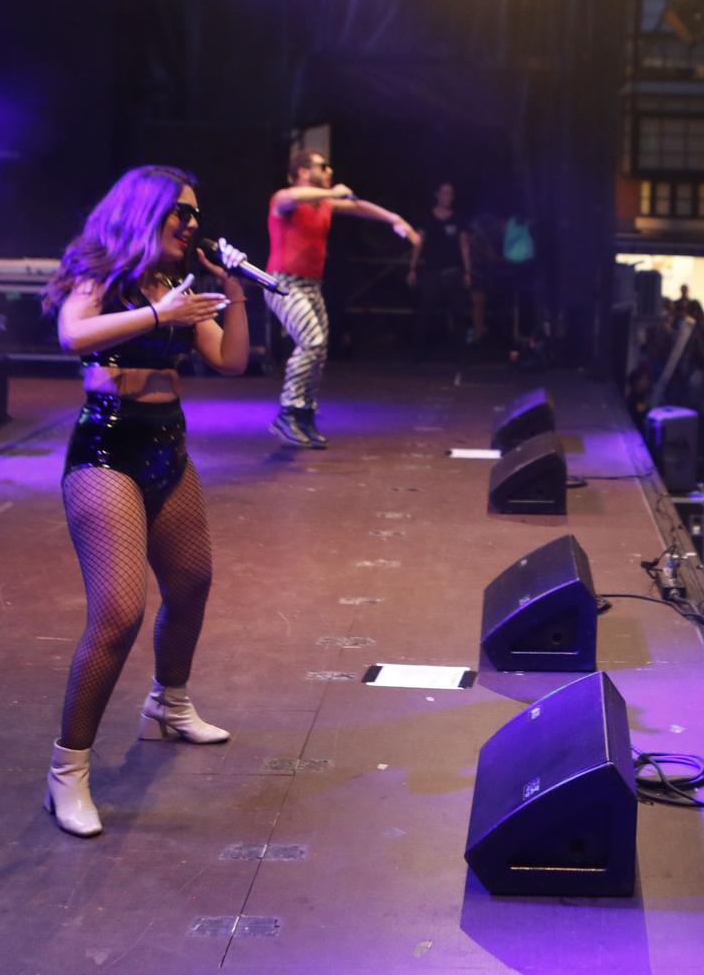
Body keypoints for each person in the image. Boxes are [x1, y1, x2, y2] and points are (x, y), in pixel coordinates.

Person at [39, 166, 249, 837]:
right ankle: (66, 774)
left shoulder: (174, 285)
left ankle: (168, 704)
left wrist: (234, 297)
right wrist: (162, 314)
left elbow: (230, 360)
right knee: (119, 613)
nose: (191, 225)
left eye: (195, 215)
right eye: (180, 213)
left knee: (191, 583)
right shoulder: (104, 272)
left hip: (167, 443)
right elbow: (74, 334)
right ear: (147, 211)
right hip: (106, 449)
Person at [263, 147, 420, 448]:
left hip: (310, 285)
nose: (330, 171)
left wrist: (394, 219)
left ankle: (304, 414)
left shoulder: (323, 203)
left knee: (319, 352)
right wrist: (332, 192)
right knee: (312, 342)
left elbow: (359, 207)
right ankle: (287, 412)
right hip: (282, 283)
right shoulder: (284, 200)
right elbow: (289, 197)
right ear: (304, 172)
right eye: (323, 167)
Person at [406, 180, 472, 359]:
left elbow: (464, 244)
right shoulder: (427, 217)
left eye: (451, 193)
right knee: (424, 313)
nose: (448, 197)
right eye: (444, 193)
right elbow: (419, 243)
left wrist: (467, 271)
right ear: (437, 194)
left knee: (458, 313)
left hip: (454, 271)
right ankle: (417, 354)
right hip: (432, 272)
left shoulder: (458, 218)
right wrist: (412, 267)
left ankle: (461, 354)